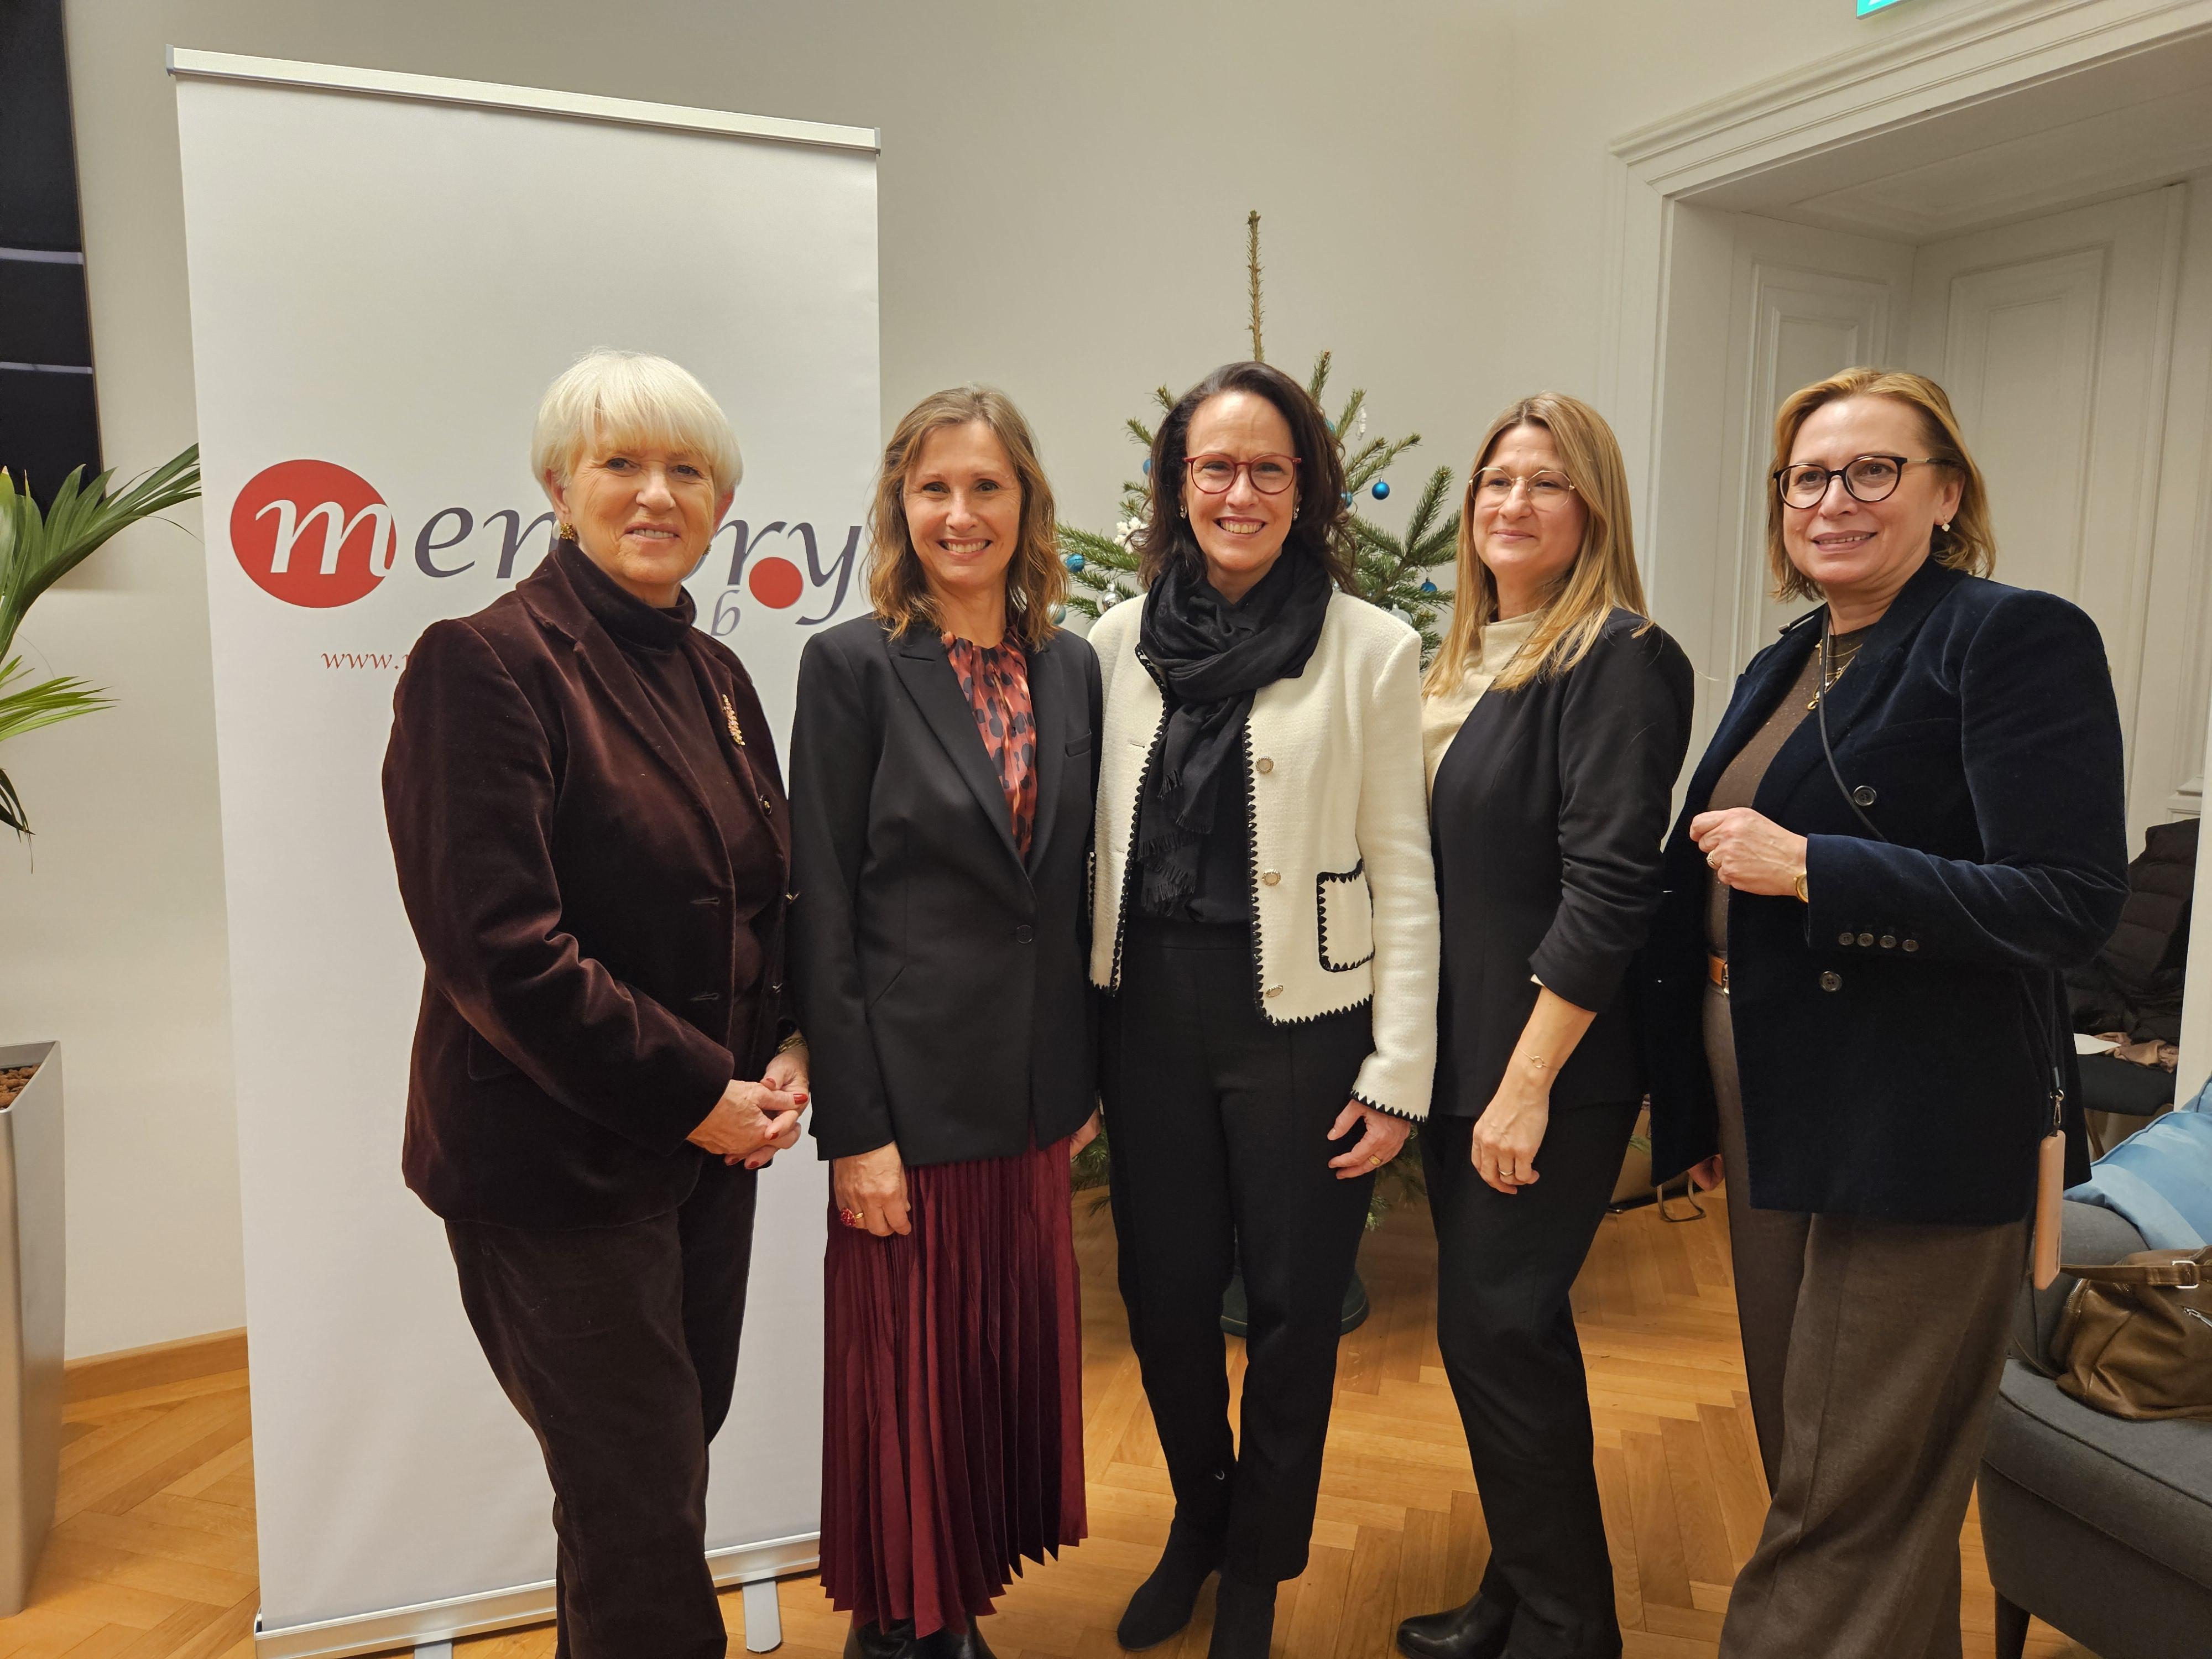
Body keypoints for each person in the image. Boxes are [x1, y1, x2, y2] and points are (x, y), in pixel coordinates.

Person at [1639, 367, 2128, 1659]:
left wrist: (1817, 869)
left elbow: (2069, 901)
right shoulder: (1789, 655)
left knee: (1841, 1490)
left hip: (1917, 1114)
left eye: (1872, 471)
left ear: (1945, 494)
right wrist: (1698, 1102)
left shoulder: (2009, 637)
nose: (1831, 500)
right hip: (1769, 1094)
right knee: (1823, 1461)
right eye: (1806, 476)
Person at [383, 349, 804, 1659]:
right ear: (560, 488)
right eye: (621, 463)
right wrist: (697, 1096)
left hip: (707, 1157)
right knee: (636, 1504)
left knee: (655, 1483)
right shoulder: (483, 663)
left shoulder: (715, 674)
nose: (656, 494)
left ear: (721, 502)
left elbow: (759, 896)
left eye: (687, 470)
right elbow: (500, 953)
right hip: (556, 1170)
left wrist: (790, 1041)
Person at [1089, 360, 1439, 1659]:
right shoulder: (1110, 645)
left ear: (1306, 489)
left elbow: (1403, 868)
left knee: (1293, 1310)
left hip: (1303, 1022)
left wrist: (1397, 1071)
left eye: (1267, 470)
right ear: (1176, 487)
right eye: (1214, 468)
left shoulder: (1371, 648)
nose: (1239, 493)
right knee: (1165, 1294)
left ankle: (1257, 1566)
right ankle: (1198, 1518)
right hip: (1145, 1018)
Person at [789, 387, 1100, 1659]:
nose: (959, 514)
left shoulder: (1070, 666)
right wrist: (855, 1131)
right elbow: (823, 909)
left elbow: (1066, 893)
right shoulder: (851, 666)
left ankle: (956, 1594)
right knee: (906, 1380)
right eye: (933, 489)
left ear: (1025, 504)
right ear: (898, 505)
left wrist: (1076, 1085)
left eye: (985, 487)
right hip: (906, 1111)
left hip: (1029, 1102)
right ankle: (905, 1625)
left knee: (987, 1373)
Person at [1396, 395, 1692, 1659]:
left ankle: (1570, 1629)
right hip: (1457, 1055)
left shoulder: (1618, 658)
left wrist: (1523, 1085)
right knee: (1502, 1340)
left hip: (1548, 1067)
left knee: (1496, 1330)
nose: (1511, 503)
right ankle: (1519, 1592)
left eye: (1545, 482)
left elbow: (1610, 887)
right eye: (1495, 481)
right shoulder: (1456, 659)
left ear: (1593, 510)